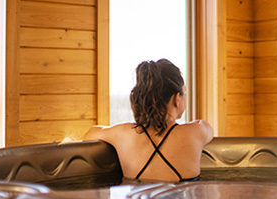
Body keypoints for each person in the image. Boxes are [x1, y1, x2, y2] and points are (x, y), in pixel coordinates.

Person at [84, 59, 213, 182]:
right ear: (176, 98)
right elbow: (206, 126)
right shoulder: (195, 133)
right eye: (184, 93)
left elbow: (90, 133)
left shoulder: (123, 134)